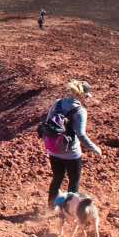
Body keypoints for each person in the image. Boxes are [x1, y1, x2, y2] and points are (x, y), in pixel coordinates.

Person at [42, 80, 102, 209]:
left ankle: (51, 207)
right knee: (73, 182)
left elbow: (47, 122)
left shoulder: (58, 102)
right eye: (87, 96)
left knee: (57, 178)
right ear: (81, 95)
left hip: (53, 149)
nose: (87, 99)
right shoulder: (80, 111)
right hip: (71, 153)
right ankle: (69, 210)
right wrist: (95, 148)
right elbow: (81, 134)